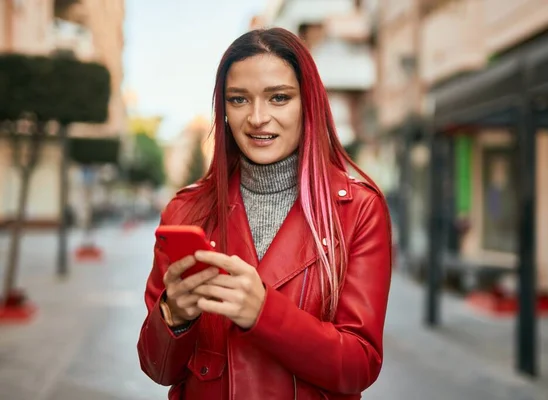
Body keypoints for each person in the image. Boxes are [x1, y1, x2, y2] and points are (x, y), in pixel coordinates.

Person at [137, 27, 392, 400]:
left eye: (278, 98)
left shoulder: (358, 210)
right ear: (223, 109)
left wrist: (264, 312)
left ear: (309, 104)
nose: (257, 117)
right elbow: (156, 368)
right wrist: (174, 317)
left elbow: (359, 366)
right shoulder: (185, 210)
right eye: (239, 100)